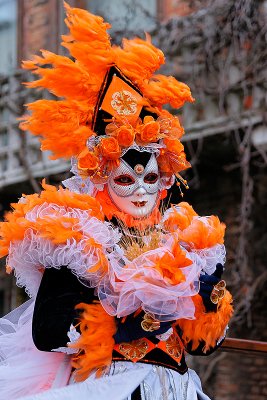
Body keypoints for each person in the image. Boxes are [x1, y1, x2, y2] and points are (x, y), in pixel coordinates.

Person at [0, 3, 233, 399]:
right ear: (102, 181)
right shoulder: (82, 243)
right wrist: (124, 321)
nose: (141, 189)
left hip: (175, 389)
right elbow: (49, 332)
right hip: (110, 387)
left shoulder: (186, 244)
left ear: (165, 180)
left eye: (151, 177)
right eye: (126, 178)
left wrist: (207, 306)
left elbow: (200, 346)